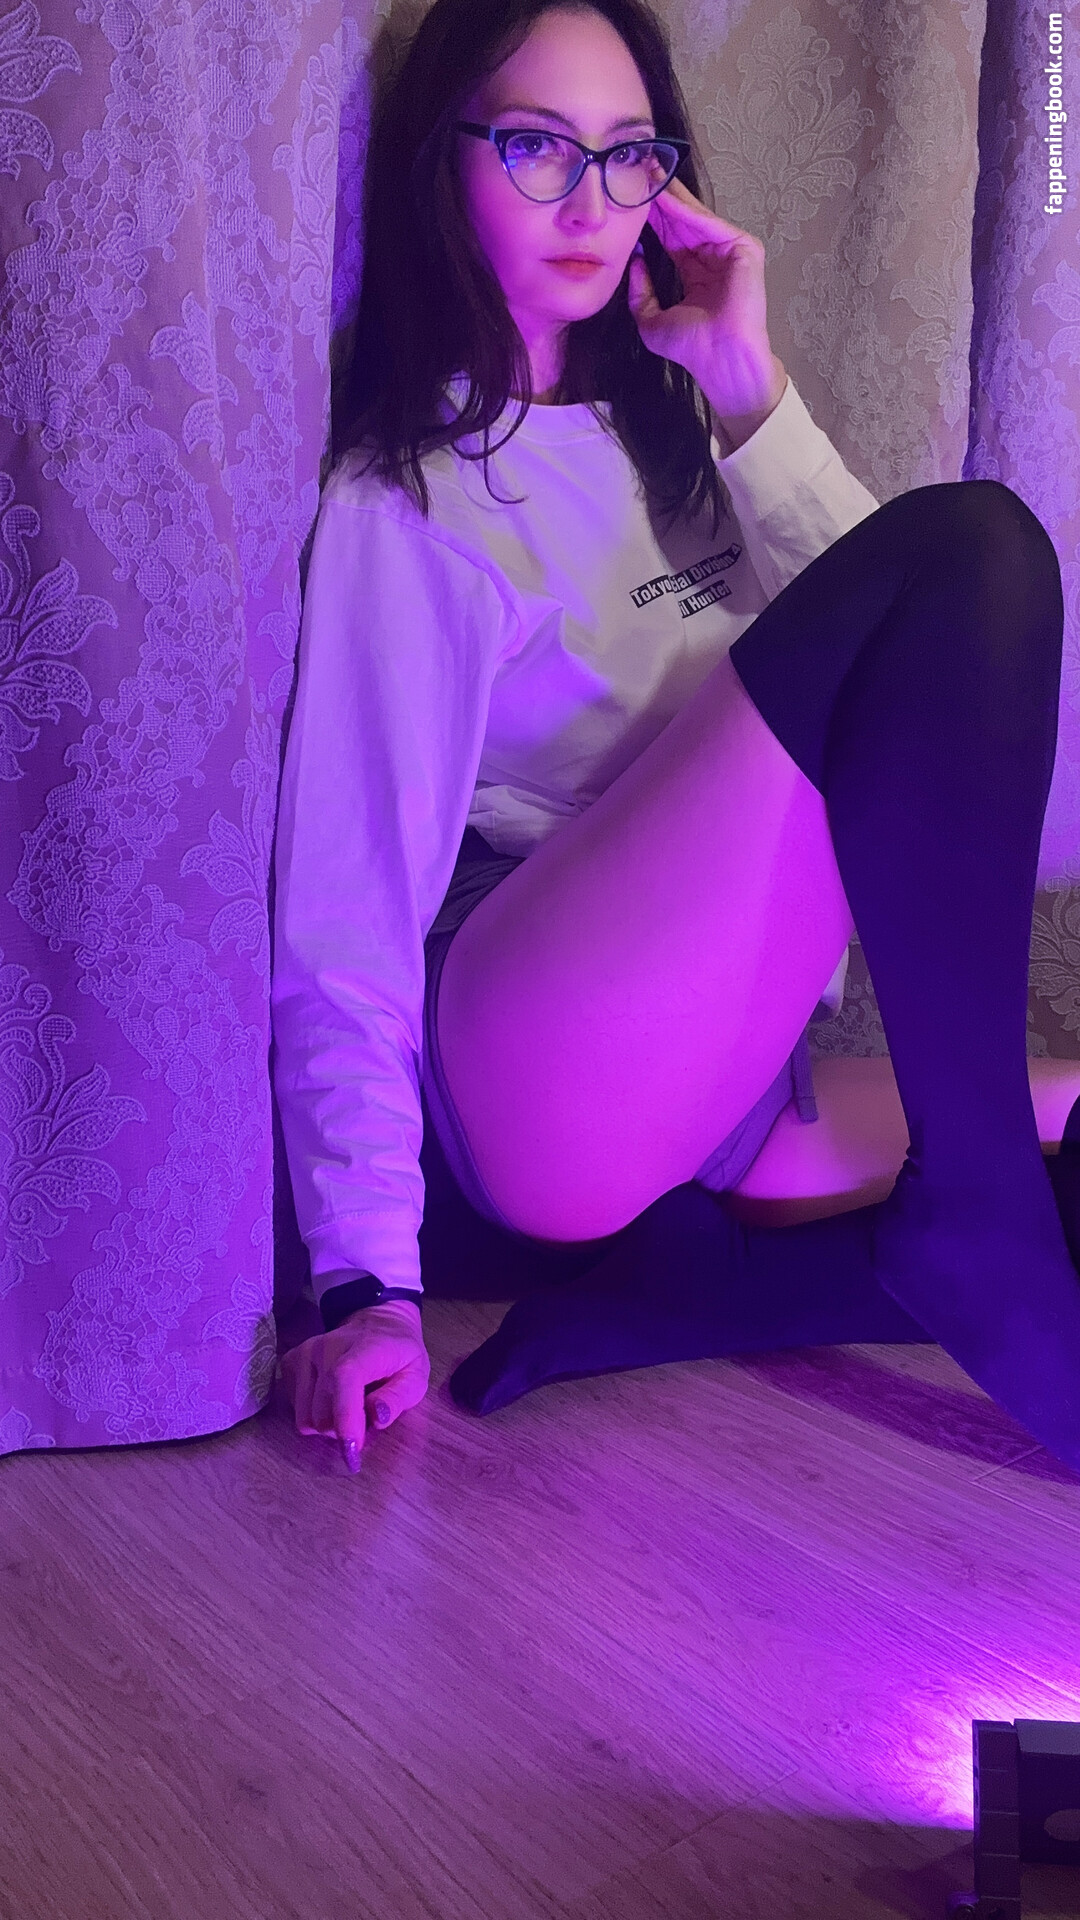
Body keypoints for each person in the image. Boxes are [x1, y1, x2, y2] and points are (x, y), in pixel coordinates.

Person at [271, 0, 1080, 1471]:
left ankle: (713, 1286)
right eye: (538, 148)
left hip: (716, 1083)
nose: (592, 204)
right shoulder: (410, 506)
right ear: (444, 162)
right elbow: (346, 920)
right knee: (976, 545)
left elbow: (929, 692)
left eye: (629, 153)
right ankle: (968, 1224)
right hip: (531, 1079)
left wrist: (744, 383)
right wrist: (363, 1285)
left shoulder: (667, 443)